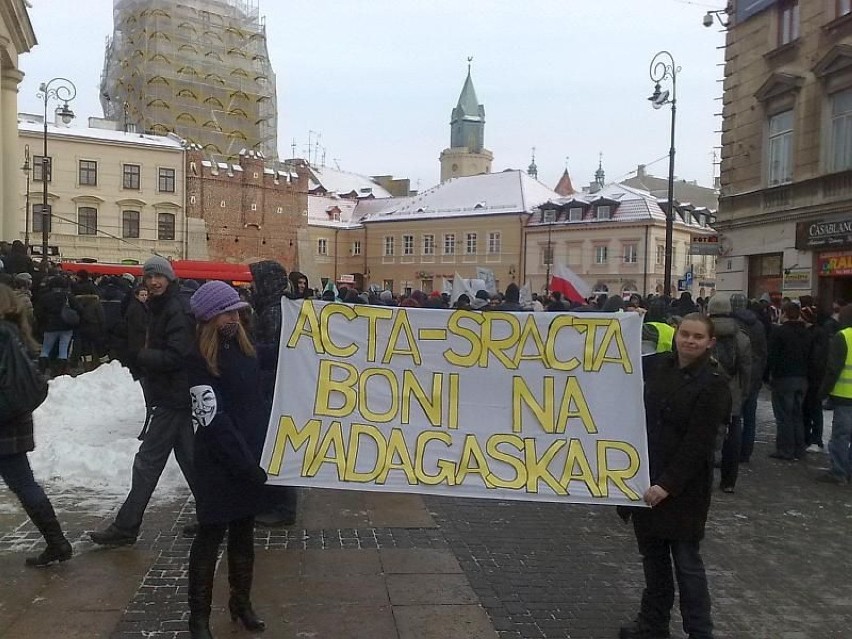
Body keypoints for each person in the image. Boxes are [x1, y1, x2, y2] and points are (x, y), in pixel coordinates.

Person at [620, 313, 731, 639]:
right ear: (676, 335)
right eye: (685, 334)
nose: (690, 341)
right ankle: (652, 625)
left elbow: (700, 444)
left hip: (683, 491)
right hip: (647, 479)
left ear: (710, 342)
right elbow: (613, 364)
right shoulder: (659, 366)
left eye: (698, 337)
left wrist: (667, 485)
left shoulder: (713, 383)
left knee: (687, 564)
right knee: (653, 561)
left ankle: (700, 631)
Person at [90, 256, 198, 546]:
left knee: (147, 462)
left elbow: (179, 355)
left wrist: (139, 356)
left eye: (158, 277)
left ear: (170, 279)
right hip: (171, 394)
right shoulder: (159, 306)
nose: (153, 282)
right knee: (190, 461)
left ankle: (126, 527)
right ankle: (214, 513)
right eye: (148, 277)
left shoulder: (174, 308)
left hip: (173, 396)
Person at [186, 281, 269, 638]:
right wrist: (243, 463)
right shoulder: (197, 359)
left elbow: (274, 362)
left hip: (249, 457)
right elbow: (212, 419)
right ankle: (199, 616)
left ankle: (241, 602)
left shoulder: (245, 348)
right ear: (210, 317)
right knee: (209, 538)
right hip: (219, 463)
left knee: (243, 536)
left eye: (236, 311)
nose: (234, 317)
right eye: (227, 312)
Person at [0, 284, 73, 566]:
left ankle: (58, 542)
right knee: (24, 483)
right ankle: (57, 542)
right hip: (13, 423)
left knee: (24, 484)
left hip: (5, 421)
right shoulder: (16, 331)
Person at [766, 302, 811, 461]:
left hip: (784, 378)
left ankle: (785, 449)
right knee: (797, 415)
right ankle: (800, 448)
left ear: (783, 313)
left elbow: (772, 356)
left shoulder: (780, 332)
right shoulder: (806, 332)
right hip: (802, 378)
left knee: (784, 415)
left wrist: (769, 376)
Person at [816, 304, 852, 484]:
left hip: (845, 397)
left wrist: (823, 392)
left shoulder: (843, 337)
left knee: (841, 435)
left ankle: (838, 472)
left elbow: (833, 369)